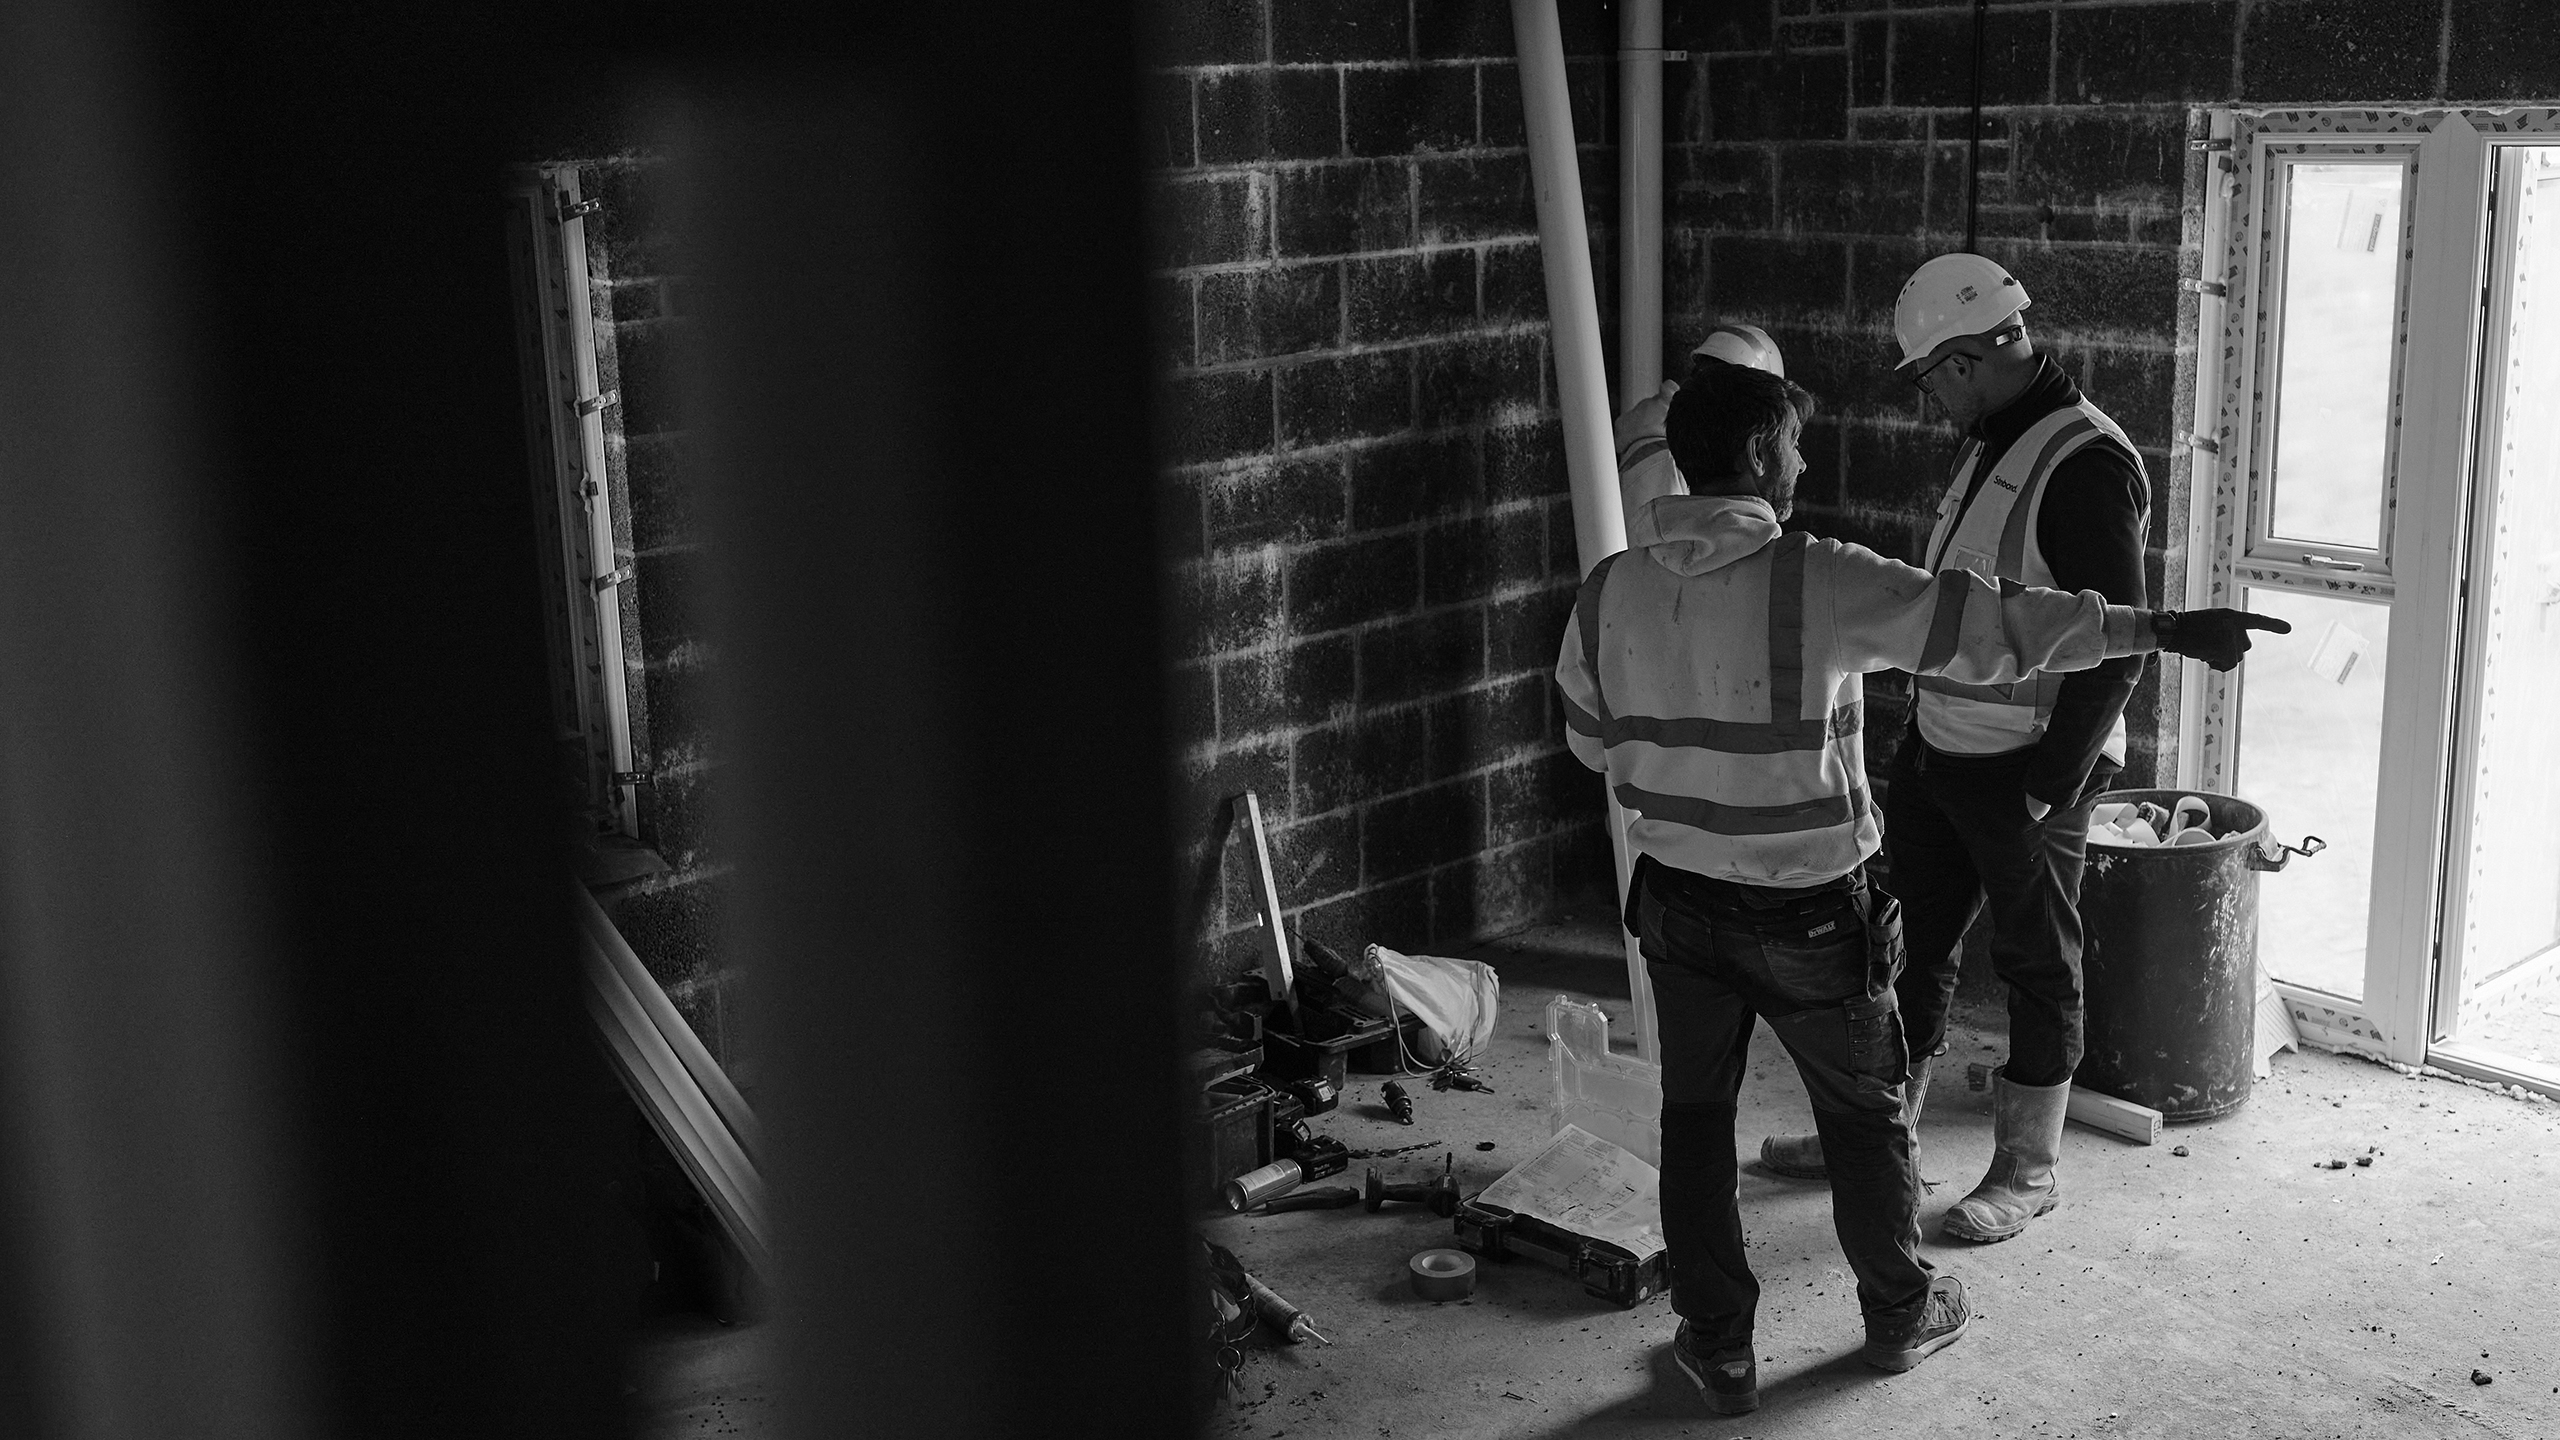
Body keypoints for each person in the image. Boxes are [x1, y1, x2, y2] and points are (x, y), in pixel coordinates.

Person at [1557, 359, 2280, 1414]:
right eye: (1795, 444)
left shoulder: (1609, 588)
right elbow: (1994, 626)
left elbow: (1589, 740)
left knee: (1696, 1120)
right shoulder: (1818, 577)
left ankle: (1715, 1347)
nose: (1804, 462)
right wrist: (2156, 628)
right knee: (1864, 1124)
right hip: (1809, 913)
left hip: (1675, 906)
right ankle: (1898, 1313)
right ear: (1759, 457)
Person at [1754, 254, 2154, 1247]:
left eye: (1932, 375)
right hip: (1945, 748)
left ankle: (2028, 1170)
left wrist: (2048, 785)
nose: (1928, 397)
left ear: (1978, 354)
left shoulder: (2081, 462)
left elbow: (2119, 640)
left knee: (2033, 961)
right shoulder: (1996, 437)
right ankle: (1886, 1133)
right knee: (1909, 945)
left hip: (2025, 765)